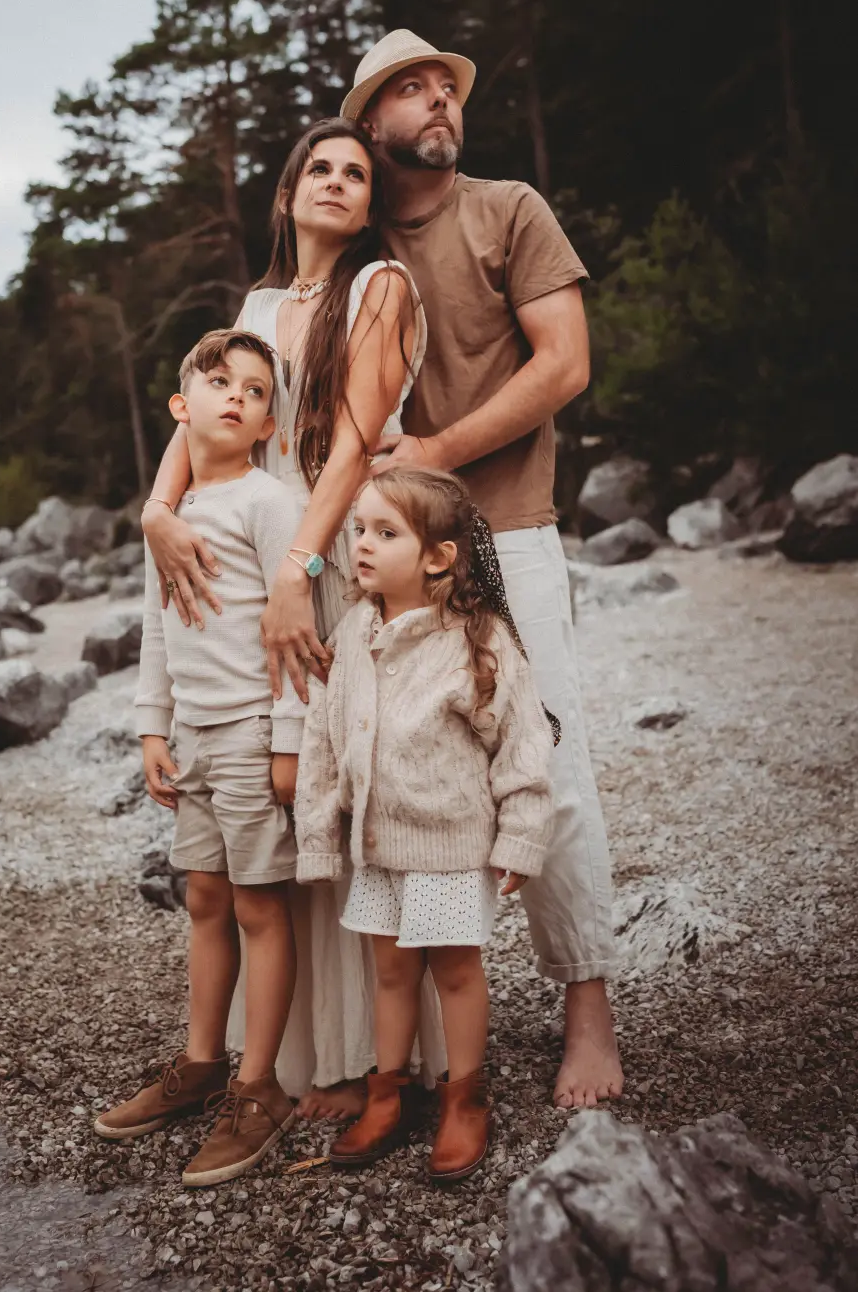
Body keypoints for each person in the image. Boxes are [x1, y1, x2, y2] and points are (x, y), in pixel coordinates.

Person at [341, 29, 624, 1109]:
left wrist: (433, 457)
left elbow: (567, 362)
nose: (437, 103)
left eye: (443, 87)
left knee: (547, 765)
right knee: (394, 779)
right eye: (409, 91)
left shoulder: (508, 210)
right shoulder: (355, 246)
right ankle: (407, 1043)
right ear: (373, 126)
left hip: (509, 529)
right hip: (382, 558)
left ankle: (585, 1014)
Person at [140, 117, 444, 1117]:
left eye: (356, 173)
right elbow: (204, 418)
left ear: (370, 201)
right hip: (264, 548)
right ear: (288, 190)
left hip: (337, 549)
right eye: (318, 167)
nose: (336, 182)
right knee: (285, 810)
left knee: (344, 791)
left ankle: (376, 1055)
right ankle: (301, 1057)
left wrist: (299, 567)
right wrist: (154, 508)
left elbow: (354, 443)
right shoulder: (260, 303)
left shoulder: (379, 287)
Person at [295, 467, 555, 1182]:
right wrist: (320, 835)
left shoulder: (476, 637)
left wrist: (521, 836)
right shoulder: (353, 632)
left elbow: (524, 745)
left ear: (438, 555)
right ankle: (389, 1092)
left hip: (449, 845)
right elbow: (324, 737)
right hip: (376, 847)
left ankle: (464, 1098)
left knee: (457, 972)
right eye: (359, 532)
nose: (364, 547)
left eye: (386, 533)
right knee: (391, 972)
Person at [94, 329, 305, 1186]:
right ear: (183, 409)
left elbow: (299, 634)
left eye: (255, 392)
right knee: (205, 900)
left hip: (253, 731)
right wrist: (152, 729)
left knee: (260, 907)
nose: (236, 397)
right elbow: (158, 626)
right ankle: (200, 1061)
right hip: (193, 739)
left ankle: (261, 1088)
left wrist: (288, 737)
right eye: (219, 383)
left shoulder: (270, 502)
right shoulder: (170, 517)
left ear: (265, 423)